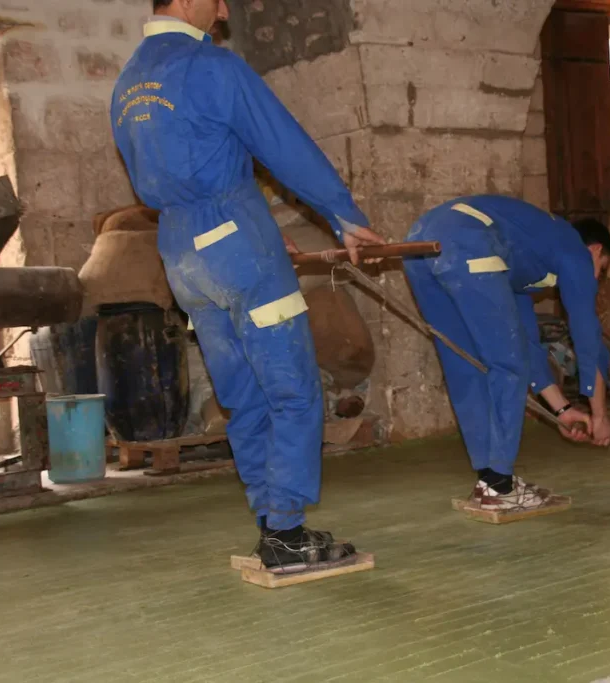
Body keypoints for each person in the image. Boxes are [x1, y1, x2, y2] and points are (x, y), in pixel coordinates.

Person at [110, 0, 386, 571]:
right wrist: (343, 214)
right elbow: (283, 143)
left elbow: (170, 172)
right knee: (293, 389)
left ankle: (272, 523)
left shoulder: (127, 82)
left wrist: (254, 228)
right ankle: (285, 531)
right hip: (235, 241)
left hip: (180, 253)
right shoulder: (212, 65)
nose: (223, 9)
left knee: (242, 395)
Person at [403, 195, 610, 511]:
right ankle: (500, 485)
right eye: (600, 270)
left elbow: (526, 344)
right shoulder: (575, 251)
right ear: (595, 250)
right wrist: (600, 416)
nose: (595, 280)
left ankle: (490, 481)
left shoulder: (523, 261)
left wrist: (562, 410)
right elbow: (587, 338)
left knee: (466, 365)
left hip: (418, 243)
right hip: (465, 238)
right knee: (508, 366)